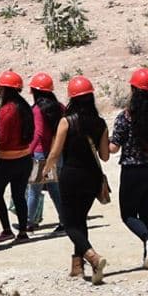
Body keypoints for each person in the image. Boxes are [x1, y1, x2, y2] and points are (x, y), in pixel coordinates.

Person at [36, 76, 110, 284]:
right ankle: (77, 267)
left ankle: (92, 257)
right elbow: (105, 156)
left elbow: (55, 152)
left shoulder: (66, 122)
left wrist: (45, 171)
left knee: (69, 223)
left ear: (72, 99)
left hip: (72, 176)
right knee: (80, 219)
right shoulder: (100, 123)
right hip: (93, 178)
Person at [111, 67, 148, 271]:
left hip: (131, 172)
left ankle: (147, 238)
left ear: (133, 90)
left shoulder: (125, 117)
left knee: (128, 214)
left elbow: (114, 147)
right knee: (147, 212)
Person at [0, 70, 35, 244]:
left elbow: (1, 137)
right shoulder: (24, 107)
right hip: (25, 158)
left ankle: (7, 229)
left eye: (0, 88)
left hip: (7, 160)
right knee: (19, 195)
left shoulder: (7, 110)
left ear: (5, 90)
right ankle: (22, 232)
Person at [26, 72, 63, 232]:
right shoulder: (59, 107)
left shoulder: (37, 110)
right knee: (54, 189)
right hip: (55, 153)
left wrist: (28, 151)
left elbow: (38, 133)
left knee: (34, 190)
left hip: (40, 154)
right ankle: (64, 221)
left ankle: (28, 222)